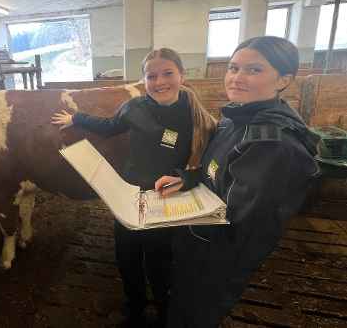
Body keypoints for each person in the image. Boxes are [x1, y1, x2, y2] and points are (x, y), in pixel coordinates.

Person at [155, 36, 320, 328]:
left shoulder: (272, 145)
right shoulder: (234, 120)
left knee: (194, 315)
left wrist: (170, 221)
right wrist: (188, 179)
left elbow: (243, 226)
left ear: (283, 80)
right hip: (198, 243)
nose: (236, 78)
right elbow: (215, 172)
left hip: (217, 258)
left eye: (254, 70)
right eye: (233, 68)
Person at [51, 48, 216, 328]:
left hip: (165, 198)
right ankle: (135, 309)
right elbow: (109, 126)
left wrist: (185, 179)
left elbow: (212, 166)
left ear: (182, 76)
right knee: (126, 259)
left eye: (168, 74)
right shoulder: (134, 107)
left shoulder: (196, 116)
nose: (160, 81)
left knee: (159, 261)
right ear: (143, 80)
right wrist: (77, 119)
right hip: (128, 194)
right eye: (152, 76)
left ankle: (165, 312)